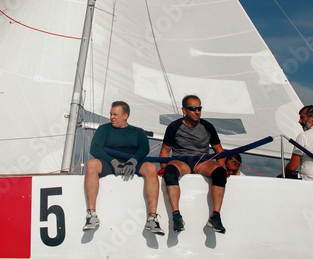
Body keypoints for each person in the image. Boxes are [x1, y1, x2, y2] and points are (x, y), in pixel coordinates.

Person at [83, 101, 164, 235]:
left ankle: (152, 218)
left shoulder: (138, 132)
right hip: (109, 162)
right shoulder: (104, 129)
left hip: (132, 162)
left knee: (151, 168)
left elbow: (144, 148)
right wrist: (113, 161)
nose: (111, 117)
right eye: (111, 114)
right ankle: (91, 215)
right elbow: (94, 148)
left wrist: (133, 161)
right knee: (91, 164)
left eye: (115, 114)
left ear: (125, 116)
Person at [159, 95, 229, 234]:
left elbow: (219, 151)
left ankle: (215, 216)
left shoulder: (207, 127)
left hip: (202, 162)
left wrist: (221, 167)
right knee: (170, 172)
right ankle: (176, 215)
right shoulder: (174, 127)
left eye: (199, 108)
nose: (197, 112)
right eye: (193, 109)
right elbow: (165, 151)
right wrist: (163, 169)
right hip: (181, 161)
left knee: (220, 173)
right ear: (184, 110)